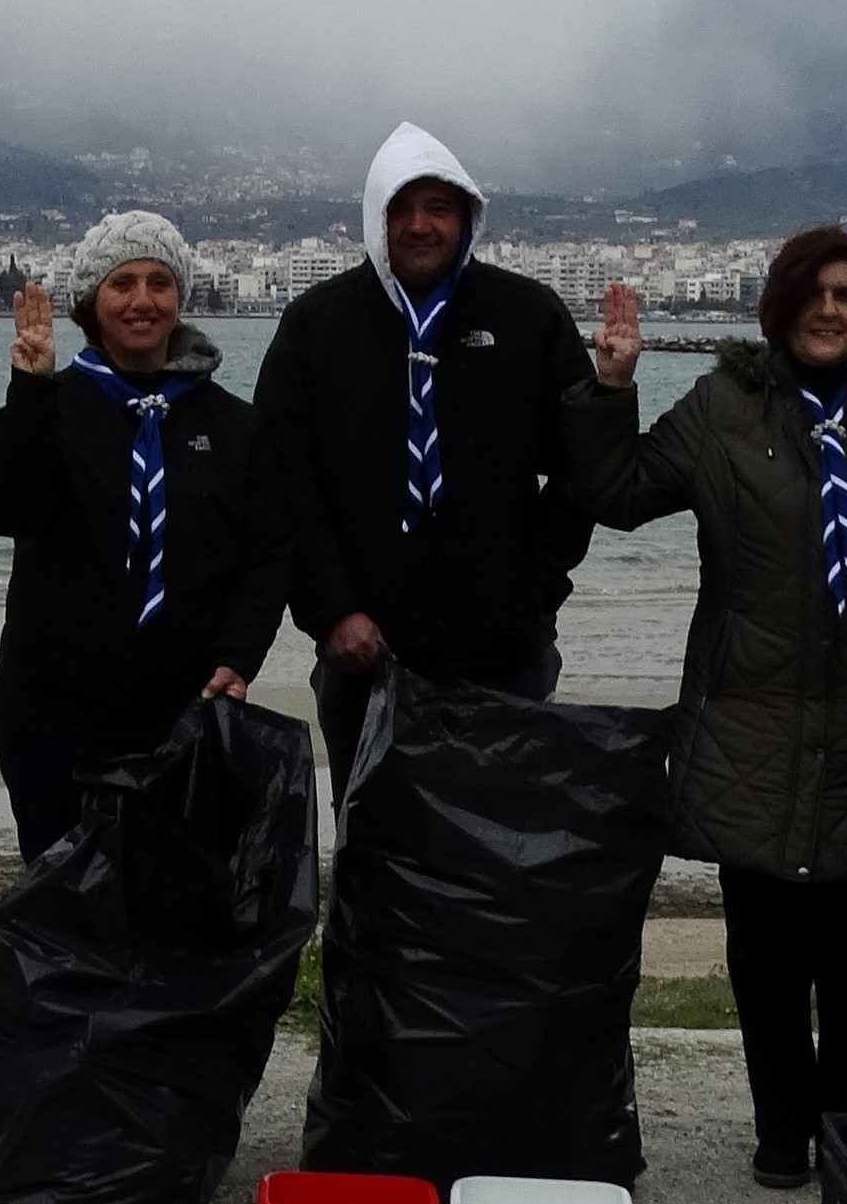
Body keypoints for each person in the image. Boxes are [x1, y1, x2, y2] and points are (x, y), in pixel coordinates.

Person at [564, 227, 847, 1188]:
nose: (827, 310)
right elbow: (617, 493)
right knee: (762, 945)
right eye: (811, 293)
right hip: (746, 714)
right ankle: (779, 1131)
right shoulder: (723, 408)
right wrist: (612, 388)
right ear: (777, 306)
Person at [251, 122, 595, 773]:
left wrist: (536, 592)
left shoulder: (529, 316)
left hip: (507, 654)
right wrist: (331, 611)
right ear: (373, 219)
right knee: (373, 830)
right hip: (362, 656)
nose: (419, 226)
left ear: (467, 218)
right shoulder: (316, 326)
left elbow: (583, 466)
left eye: (438, 208)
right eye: (399, 209)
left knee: (502, 827)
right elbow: (281, 479)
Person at [0, 212, 288, 862]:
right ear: (91, 301)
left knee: (181, 898)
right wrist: (29, 390)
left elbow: (266, 555)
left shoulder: (236, 427)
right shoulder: (48, 406)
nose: (142, 300)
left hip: (188, 707)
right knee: (68, 902)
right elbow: (4, 511)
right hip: (53, 712)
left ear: (180, 298)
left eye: (159, 283)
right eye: (122, 284)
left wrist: (240, 654)